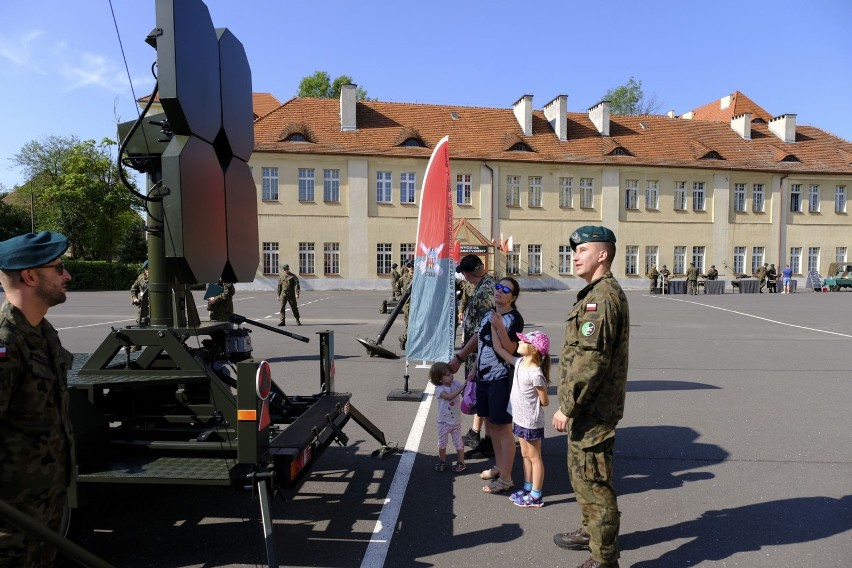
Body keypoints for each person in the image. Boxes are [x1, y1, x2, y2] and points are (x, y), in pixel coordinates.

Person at [552, 225, 629, 568]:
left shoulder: (602, 298)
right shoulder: (594, 293)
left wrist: (567, 405)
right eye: (574, 251)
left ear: (602, 255)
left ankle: (605, 559)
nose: (575, 256)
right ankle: (591, 531)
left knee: (595, 484)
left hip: (591, 409)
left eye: (582, 250)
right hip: (589, 409)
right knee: (583, 477)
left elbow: (591, 361)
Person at [0, 231, 75, 567]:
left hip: (46, 504)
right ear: (30, 276)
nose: (67, 276)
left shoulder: (44, 333)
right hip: (12, 521)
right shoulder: (6, 342)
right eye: (58, 268)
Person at [449, 277, 524, 495]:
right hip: (483, 376)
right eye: (498, 287)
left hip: (501, 378)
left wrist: (500, 326)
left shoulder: (513, 319)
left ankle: (507, 478)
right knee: (491, 426)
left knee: (503, 428)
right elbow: (479, 340)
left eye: (505, 289)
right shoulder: (489, 313)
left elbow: (511, 349)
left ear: (513, 297)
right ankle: (500, 468)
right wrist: (471, 366)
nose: (499, 291)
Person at [491, 329, 550, 508]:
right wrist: (494, 329)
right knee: (525, 455)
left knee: (534, 457)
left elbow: (545, 401)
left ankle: (536, 495)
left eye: (524, 342)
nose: (519, 344)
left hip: (531, 421)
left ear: (533, 349)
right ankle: (528, 487)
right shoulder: (519, 363)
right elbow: (499, 349)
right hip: (519, 419)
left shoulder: (536, 373)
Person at [454, 254, 495, 459]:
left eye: (464, 273)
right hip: (476, 353)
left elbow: (484, 331)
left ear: (469, 274)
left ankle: (489, 442)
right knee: (480, 397)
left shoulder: (486, 291)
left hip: (482, 354)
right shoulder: (483, 286)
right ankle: (480, 436)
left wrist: (462, 357)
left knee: (484, 397)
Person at [429, 362, 467, 473]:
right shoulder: (439, 389)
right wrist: (462, 388)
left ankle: (461, 462)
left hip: (455, 421)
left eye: (450, 373)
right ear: (440, 379)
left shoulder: (456, 384)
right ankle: (442, 460)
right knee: (442, 443)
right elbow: (449, 397)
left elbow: (465, 391)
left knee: (458, 443)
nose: (451, 375)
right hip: (443, 421)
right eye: (447, 374)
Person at [397, 261, 414, 349]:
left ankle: (404, 338)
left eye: (413, 266)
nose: (411, 268)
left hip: (417, 305)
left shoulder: (419, 277)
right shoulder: (404, 277)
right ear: (407, 268)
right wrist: (400, 296)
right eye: (409, 266)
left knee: (415, 325)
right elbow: (397, 285)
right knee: (409, 325)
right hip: (407, 305)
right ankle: (403, 339)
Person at [130, 260, 149, 326]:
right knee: (141, 325)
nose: (147, 271)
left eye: (148, 269)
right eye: (146, 269)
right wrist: (135, 298)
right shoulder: (141, 278)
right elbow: (133, 289)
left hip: (156, 309)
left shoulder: (159, 278)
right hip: (143, 308)